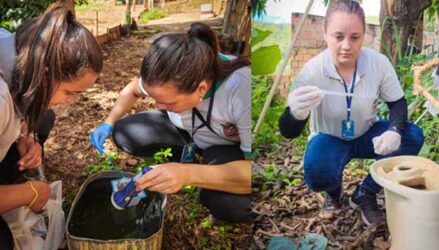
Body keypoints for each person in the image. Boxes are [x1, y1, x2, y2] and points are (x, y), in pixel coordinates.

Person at [279, 0, 424, 225]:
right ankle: (333, 192)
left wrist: (394, 131)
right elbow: (288, 131)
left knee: (412, 136)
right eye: (338, 37)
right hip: (330, 138)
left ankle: (365, 193)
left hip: (368, 134)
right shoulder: (311, 72)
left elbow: (397, 103)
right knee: (317, 170)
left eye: (355, 37)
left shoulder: (378, 63)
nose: (346, 45)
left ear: (364, 36)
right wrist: (295, 113)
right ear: (325, 34)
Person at [90, 22, 252, 223]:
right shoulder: (173, 73)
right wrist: (109, 122)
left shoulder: (241, 90)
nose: (157, 106)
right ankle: (186, 156)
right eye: (155, 98)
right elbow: (132, 89)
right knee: (125, 132)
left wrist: (188, 174)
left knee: (229, 204)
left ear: (201, 89)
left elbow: (254, 173)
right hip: (186, 130)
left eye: (167, 102)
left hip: (221, 145)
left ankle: (197, 163)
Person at [0, 4, 103, 249]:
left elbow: (22, 99)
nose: (70, 101)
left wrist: (25, 136)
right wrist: (29, 194)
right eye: (69, 92)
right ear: (45, 73)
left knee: (43, 119)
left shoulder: (17, 50)